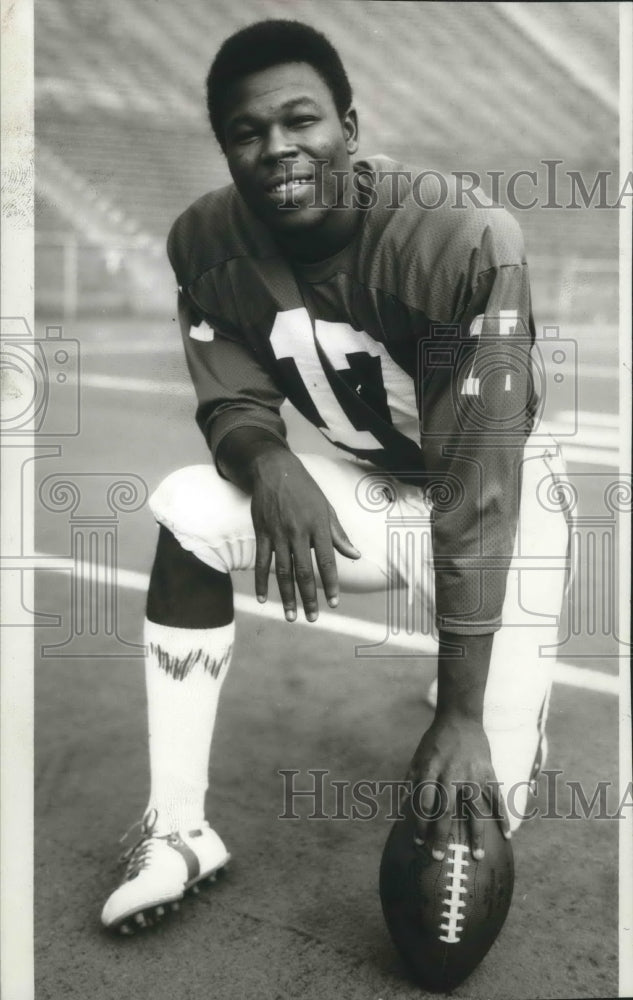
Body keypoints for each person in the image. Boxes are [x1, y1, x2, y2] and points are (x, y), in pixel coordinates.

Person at [101, 19, 570, 933]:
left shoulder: (459, 237)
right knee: (188, 509)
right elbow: (229, 390)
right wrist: (268, 460)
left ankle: (506, 707)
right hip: (372, 485)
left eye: (301, 120)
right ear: (226, 148)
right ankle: (178, 829)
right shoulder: (204, 242)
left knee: (465, 853)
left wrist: (464, 715)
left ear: (348, 129)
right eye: (247, 131)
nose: (277, 147)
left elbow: (478, 490)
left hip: (503, 506)